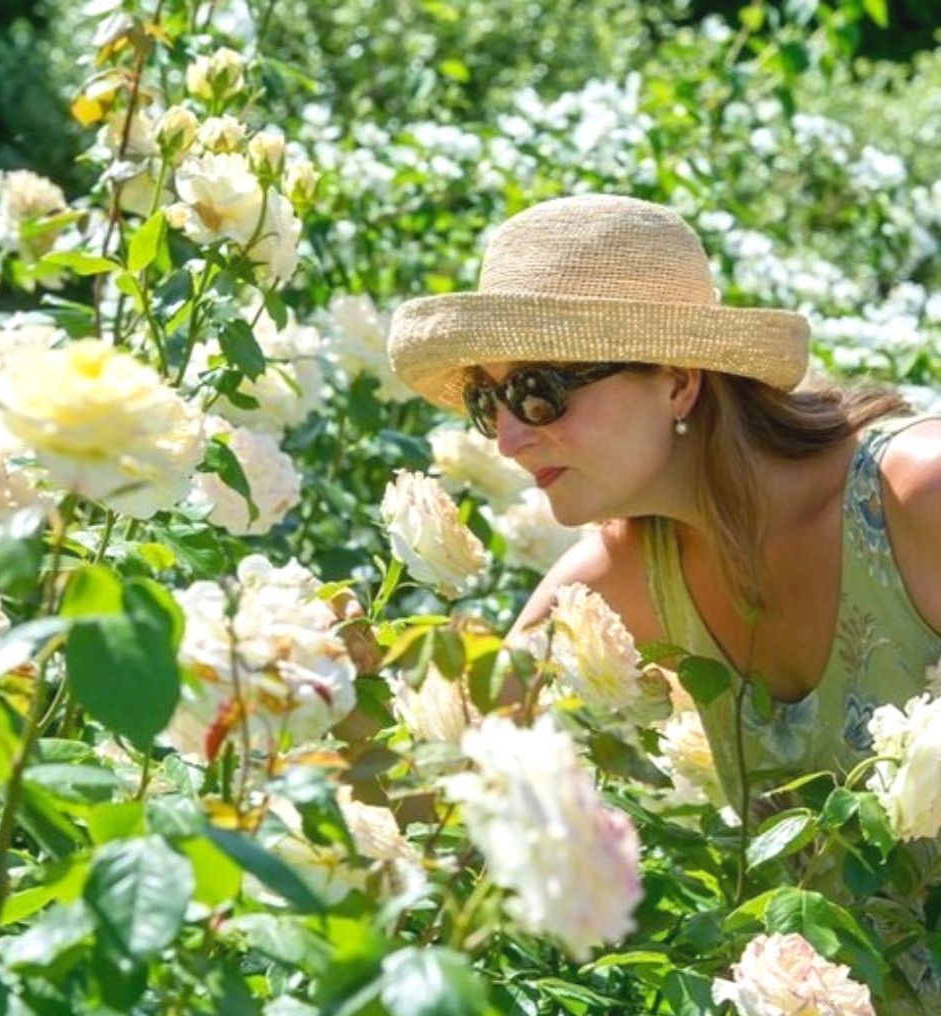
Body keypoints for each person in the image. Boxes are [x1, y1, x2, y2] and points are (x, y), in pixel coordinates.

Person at [387, 193, 941, 805]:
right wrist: (317, 676)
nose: (508, 440)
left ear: (677, 383)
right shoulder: (626, 573)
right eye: (487, 403)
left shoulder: (917, 496)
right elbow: (437, 772)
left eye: (536, 390)